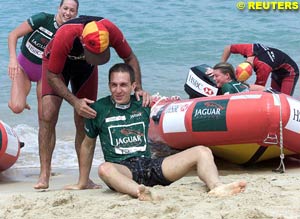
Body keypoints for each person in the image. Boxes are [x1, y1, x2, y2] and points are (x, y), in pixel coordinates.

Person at [64, 63, 247, 201]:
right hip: (124, 172)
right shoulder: (99, 109)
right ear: (109, 85)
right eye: (114, 85)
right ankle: (141, 193)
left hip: (152, 166)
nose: (118, 90)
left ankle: (216, 187)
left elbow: (173, 107)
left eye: (123, 85)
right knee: (104, 168)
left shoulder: (143, 103)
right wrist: (82, 181)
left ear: (133, 85)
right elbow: (87, 146)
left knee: (202, 151)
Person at [35, 16, 150, 189]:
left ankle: (84, 179)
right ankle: (44, 175)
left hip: (85, 68)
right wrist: (74, 102)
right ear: (83, 43)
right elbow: (52, 76)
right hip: (56, 67)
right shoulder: (66, 35)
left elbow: (130, 58)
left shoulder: (110, 30)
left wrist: (138, 88)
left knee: (86, 117)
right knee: (47, 114)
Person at [7, 0, 78, 116]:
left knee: (44, 115)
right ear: (59, 8)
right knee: (16, 107)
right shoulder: (43, 19)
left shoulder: (69, 32)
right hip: (23, 68)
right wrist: (12, 60)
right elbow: (13, 35)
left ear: (76, 14)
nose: (68, 13)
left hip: (45, 74)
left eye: (72, 10)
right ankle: (20, 96)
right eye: (65, 8)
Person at [221, 43, 299, 96]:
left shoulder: (263, 68)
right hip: (276, 70)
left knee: (283, 98)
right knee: (273, 96)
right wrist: (221, 66)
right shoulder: (248, 48)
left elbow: (259, 90)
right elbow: (228, 48)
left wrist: (243, 86)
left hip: (290, 72)